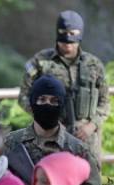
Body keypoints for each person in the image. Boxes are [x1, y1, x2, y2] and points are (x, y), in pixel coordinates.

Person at [18, 10, 110, 160]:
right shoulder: (41, 62)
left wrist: (91, 125)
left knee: (89, 182)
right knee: (51, 179)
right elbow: (24, 97)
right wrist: (47, 120)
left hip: (86, 139)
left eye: (72, 41)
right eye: (64, 41)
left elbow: (105, 102)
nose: (68, 46)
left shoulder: (94, 64)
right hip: (51, 139)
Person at [4, 75, 101, 185]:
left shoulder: (77, 149)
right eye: (42, 99)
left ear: (62, 105)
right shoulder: (11, 143)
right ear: (32, 103)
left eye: (54, 101)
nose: (47, 105)